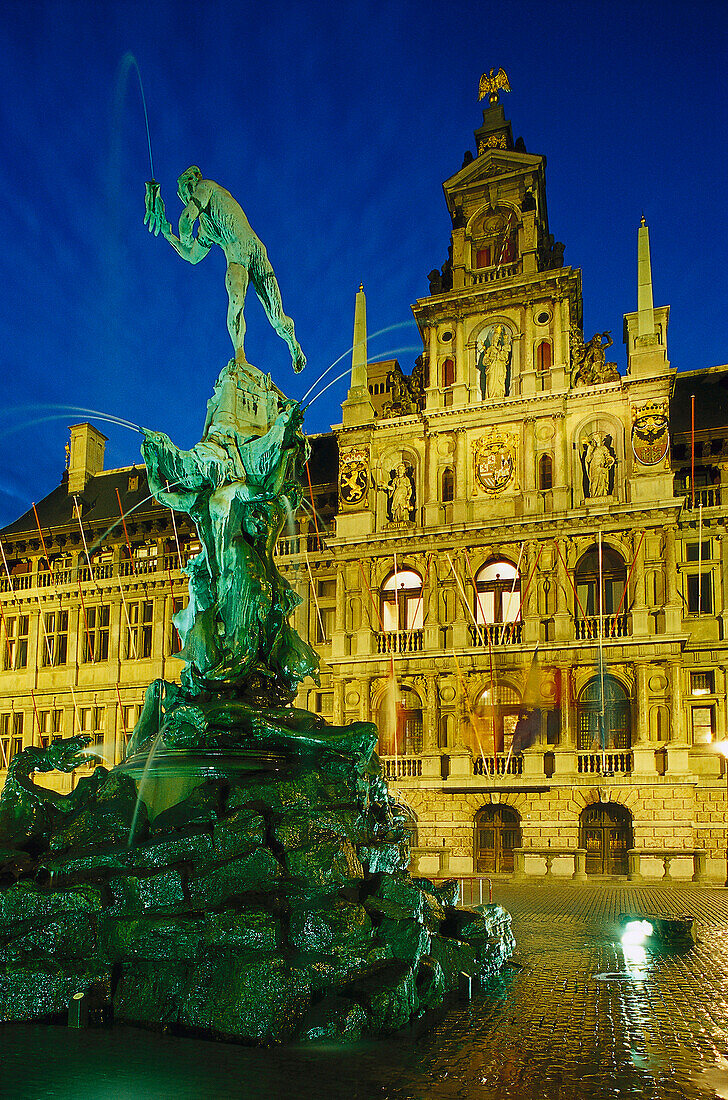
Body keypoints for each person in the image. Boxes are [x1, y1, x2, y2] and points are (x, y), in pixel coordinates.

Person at [144, 167, 306, 373]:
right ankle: (240, 355)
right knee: (236, 302)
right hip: (235, 261)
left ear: (193, 181)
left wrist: (182, 234)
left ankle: (294, 346)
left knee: (277, 318)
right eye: (182, 193)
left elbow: (186, 220)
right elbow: (193, 256)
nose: (184, 195)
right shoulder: (206, 228)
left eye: (185, 187)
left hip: (254, 251)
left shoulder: (206, 187)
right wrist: (168, 234)